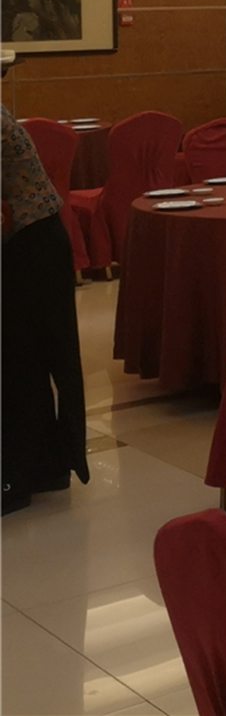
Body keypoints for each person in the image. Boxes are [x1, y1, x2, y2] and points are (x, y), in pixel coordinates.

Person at [2, 103, 89, 515]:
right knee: (28, 361)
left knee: (18, 361)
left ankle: (14, 478)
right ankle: (45, 465)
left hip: (32, 245)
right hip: (32, 241)